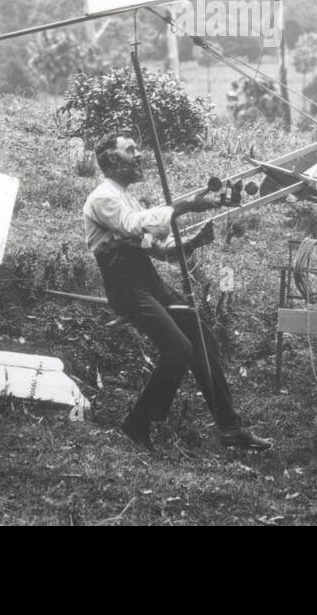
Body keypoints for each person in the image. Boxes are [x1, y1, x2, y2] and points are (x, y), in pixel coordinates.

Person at [83, 131, 272, 452]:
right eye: (131, 150)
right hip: (126, 287)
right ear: (112, 159)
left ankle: (230, 427)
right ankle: (138, 423)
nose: (139, 155)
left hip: (148, 282)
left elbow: (155, 247)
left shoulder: (127, 197)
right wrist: (184, 206)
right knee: (178, 349)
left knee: (201, 336)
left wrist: (193, 242)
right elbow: (132, 225)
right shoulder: (102, 197)